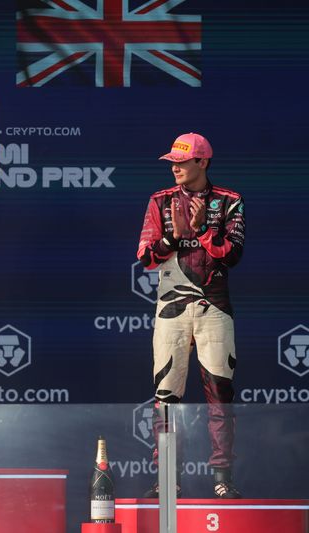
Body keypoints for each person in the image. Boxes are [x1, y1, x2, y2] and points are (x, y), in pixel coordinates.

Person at [137, 133, 245, 498]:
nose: (175, 168)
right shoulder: (160, 200)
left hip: (215, 307)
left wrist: (202, 232)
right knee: (165, 396)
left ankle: (222, 480)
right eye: (172, 162)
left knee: (220, 395)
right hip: (171, 308)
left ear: (203, 162)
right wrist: (174, 238)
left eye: (182, 162)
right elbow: (145, 258)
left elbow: (233, 255)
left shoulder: (229, 200)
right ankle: (168, 479)